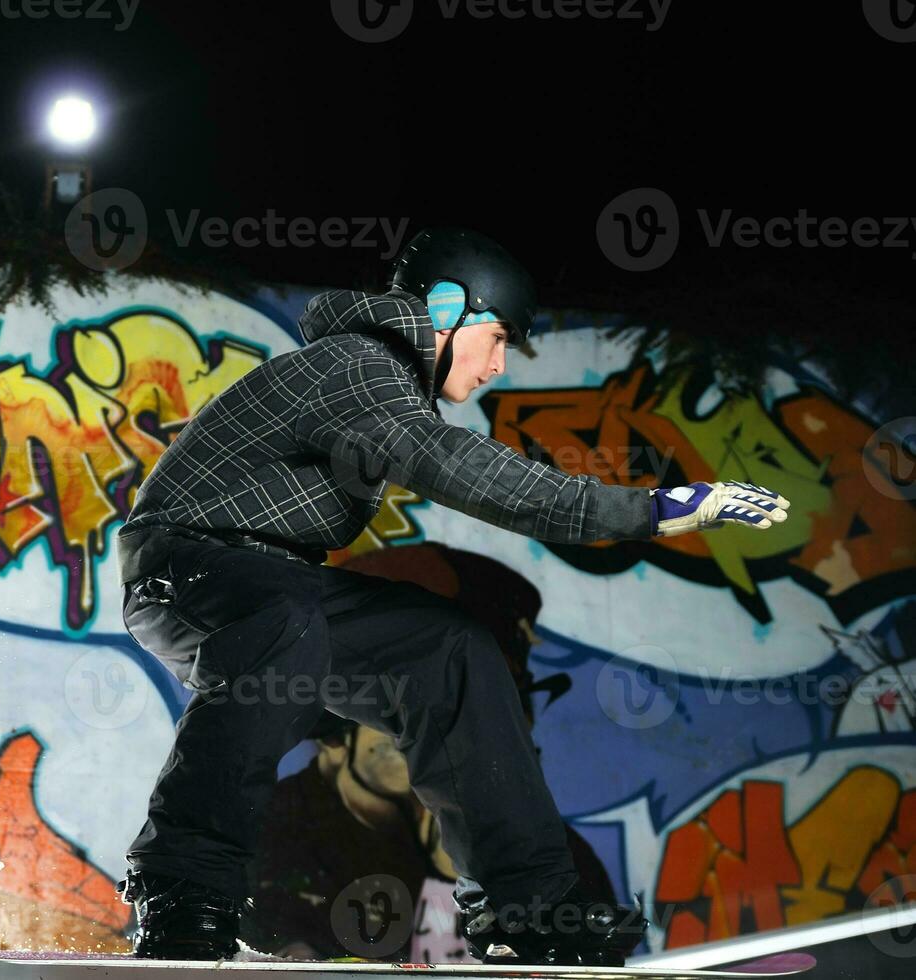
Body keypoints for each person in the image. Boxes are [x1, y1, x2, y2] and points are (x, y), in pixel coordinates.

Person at [113, 227, 791, 965]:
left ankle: (524, 905)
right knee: (286, 622)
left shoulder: (380, 379)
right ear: (444, 309)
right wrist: (655, 510)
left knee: (449, 650)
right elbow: (468, 470)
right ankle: (183, 884)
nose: (497, 366)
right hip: (185, 568)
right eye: (496, 338)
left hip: (274, 578)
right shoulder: (354, 366)